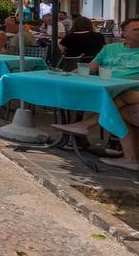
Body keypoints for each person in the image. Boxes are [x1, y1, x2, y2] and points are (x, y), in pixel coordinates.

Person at [53, 17, 139, 170]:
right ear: (123, 33)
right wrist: (69, 75)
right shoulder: (110, 49)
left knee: (122, 95)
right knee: (117, 107)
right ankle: (131, 159)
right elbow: (91, 66)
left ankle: (85, 124)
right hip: (113, 91)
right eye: (136, 29)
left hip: (132, 91)